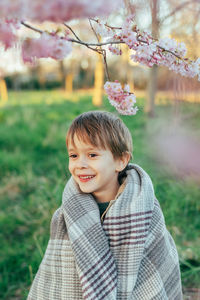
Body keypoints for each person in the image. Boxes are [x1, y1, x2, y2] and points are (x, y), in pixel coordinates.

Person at [27, 111, 183, 300]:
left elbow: (158, 265)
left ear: (121, 160)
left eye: (92, 155)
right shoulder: (66, 216)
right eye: (74, 155)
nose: (80, 164)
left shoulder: (143, 210)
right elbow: (58, 277)